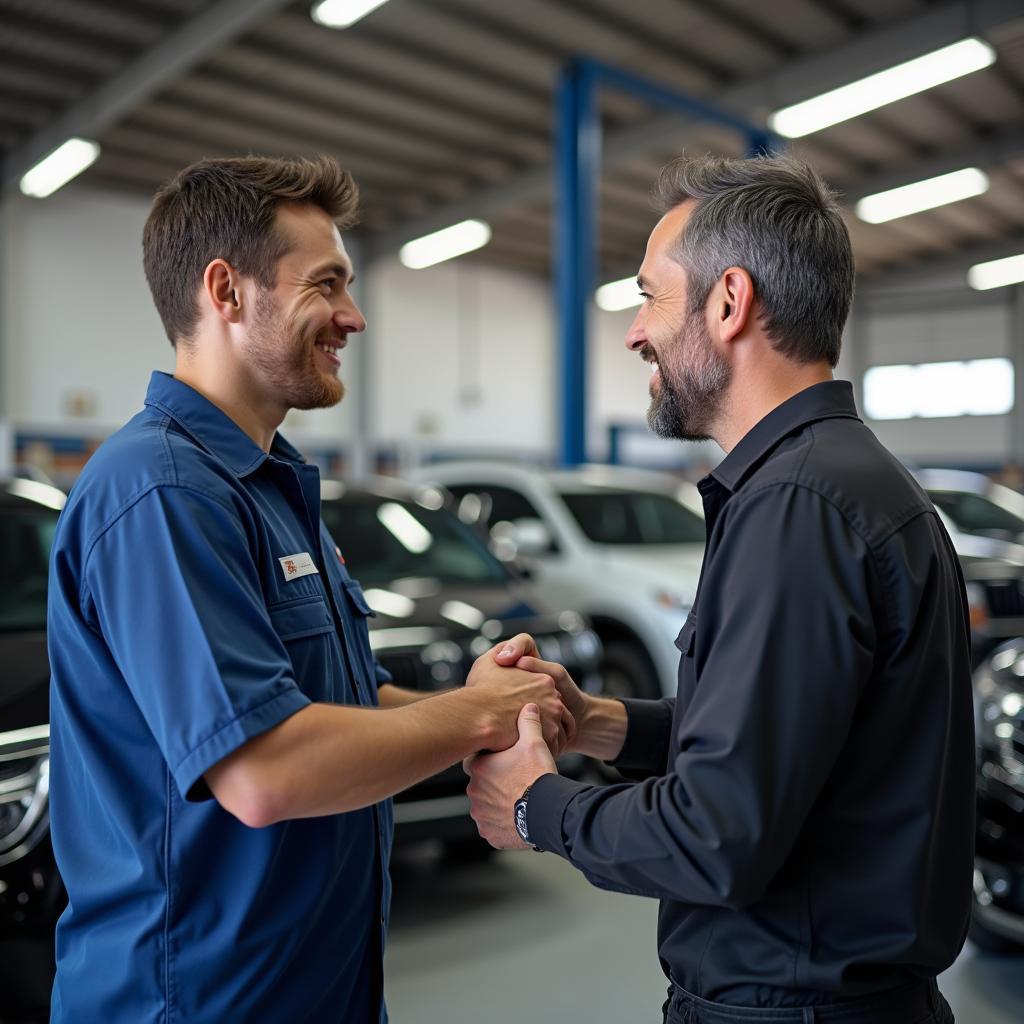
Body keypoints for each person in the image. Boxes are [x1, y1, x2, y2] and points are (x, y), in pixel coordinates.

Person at [46, 155, 571, 1024]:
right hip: (194, 998)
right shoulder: (163, 493)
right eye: (326, 285)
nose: (352, 317)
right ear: (227, 291)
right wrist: (477, 720)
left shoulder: (266, 484)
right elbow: (265, 770)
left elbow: (330, 703)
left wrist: (475, 701)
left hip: (306, 985)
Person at [467, 153, 974, 1024]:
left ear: (729, 302)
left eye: (648, 296)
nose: (634, 332)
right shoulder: (835, 483)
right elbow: (780, 745)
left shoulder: (797, 507)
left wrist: (534, 807)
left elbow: (716, 836)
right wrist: (601, 722)